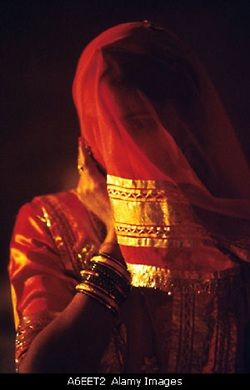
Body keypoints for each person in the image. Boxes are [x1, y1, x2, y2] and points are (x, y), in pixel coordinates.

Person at [9, 21, 250, 373]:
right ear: (94, 130)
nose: (158, 147)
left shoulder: (231, 224)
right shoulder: (50, 221)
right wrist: (117, 237)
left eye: (171, 125)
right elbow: (40, 367)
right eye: (136, 124)